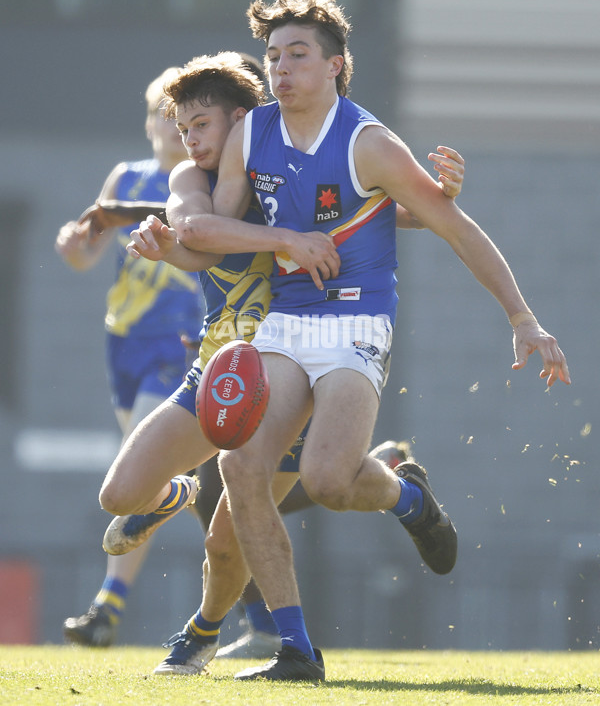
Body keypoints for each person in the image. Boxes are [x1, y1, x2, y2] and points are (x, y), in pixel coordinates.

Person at [128, 0, 569, 682]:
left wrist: (524, 319)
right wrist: (174, 242)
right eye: (272, 56)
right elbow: (212, 235)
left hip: (356, 318)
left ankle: (408, 497)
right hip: (285, 318)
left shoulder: (369, 142)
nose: (280, 68)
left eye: (298, 55)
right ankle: (296, 650)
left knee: (329, 479)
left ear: (337, 65)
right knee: (238, 466)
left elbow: (456, 226)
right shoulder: (250, 134)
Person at [99, 50, 466, 672]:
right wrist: (271, 240)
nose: (189, 141)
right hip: (217, 370)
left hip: (285, 370)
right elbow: (196, 232)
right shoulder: (192, 180)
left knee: (231, 532)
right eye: (182, 129)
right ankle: (180, 498)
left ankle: (206, 637)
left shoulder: (283, 175)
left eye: (201, 126)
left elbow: (390, 212)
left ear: (242, 122)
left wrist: (439, 195)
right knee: (120, 495)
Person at [55, 68, 205, 647]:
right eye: (161, 115)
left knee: (139, 464)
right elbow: (88, 251)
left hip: (180, 342)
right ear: (148, 123)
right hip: (125, 340)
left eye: (182, 117)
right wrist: (73, 246)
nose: (170, 128)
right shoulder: (127, 176)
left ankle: (105, 605)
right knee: (175, 482)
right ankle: (259, 612)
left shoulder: (201, 184)